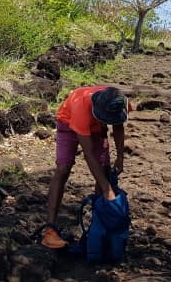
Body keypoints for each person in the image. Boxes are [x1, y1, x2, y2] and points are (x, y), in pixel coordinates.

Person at [42, 86, 129, 249]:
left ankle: (99, 225)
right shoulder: (80, 108)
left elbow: (118, 126)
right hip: (68, 122)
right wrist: (107, 190)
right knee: (63, 167)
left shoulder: (119, 101)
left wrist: (120, 157)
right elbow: (88, 154)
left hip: (96, 128)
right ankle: (50, 229)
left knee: (104, 170)